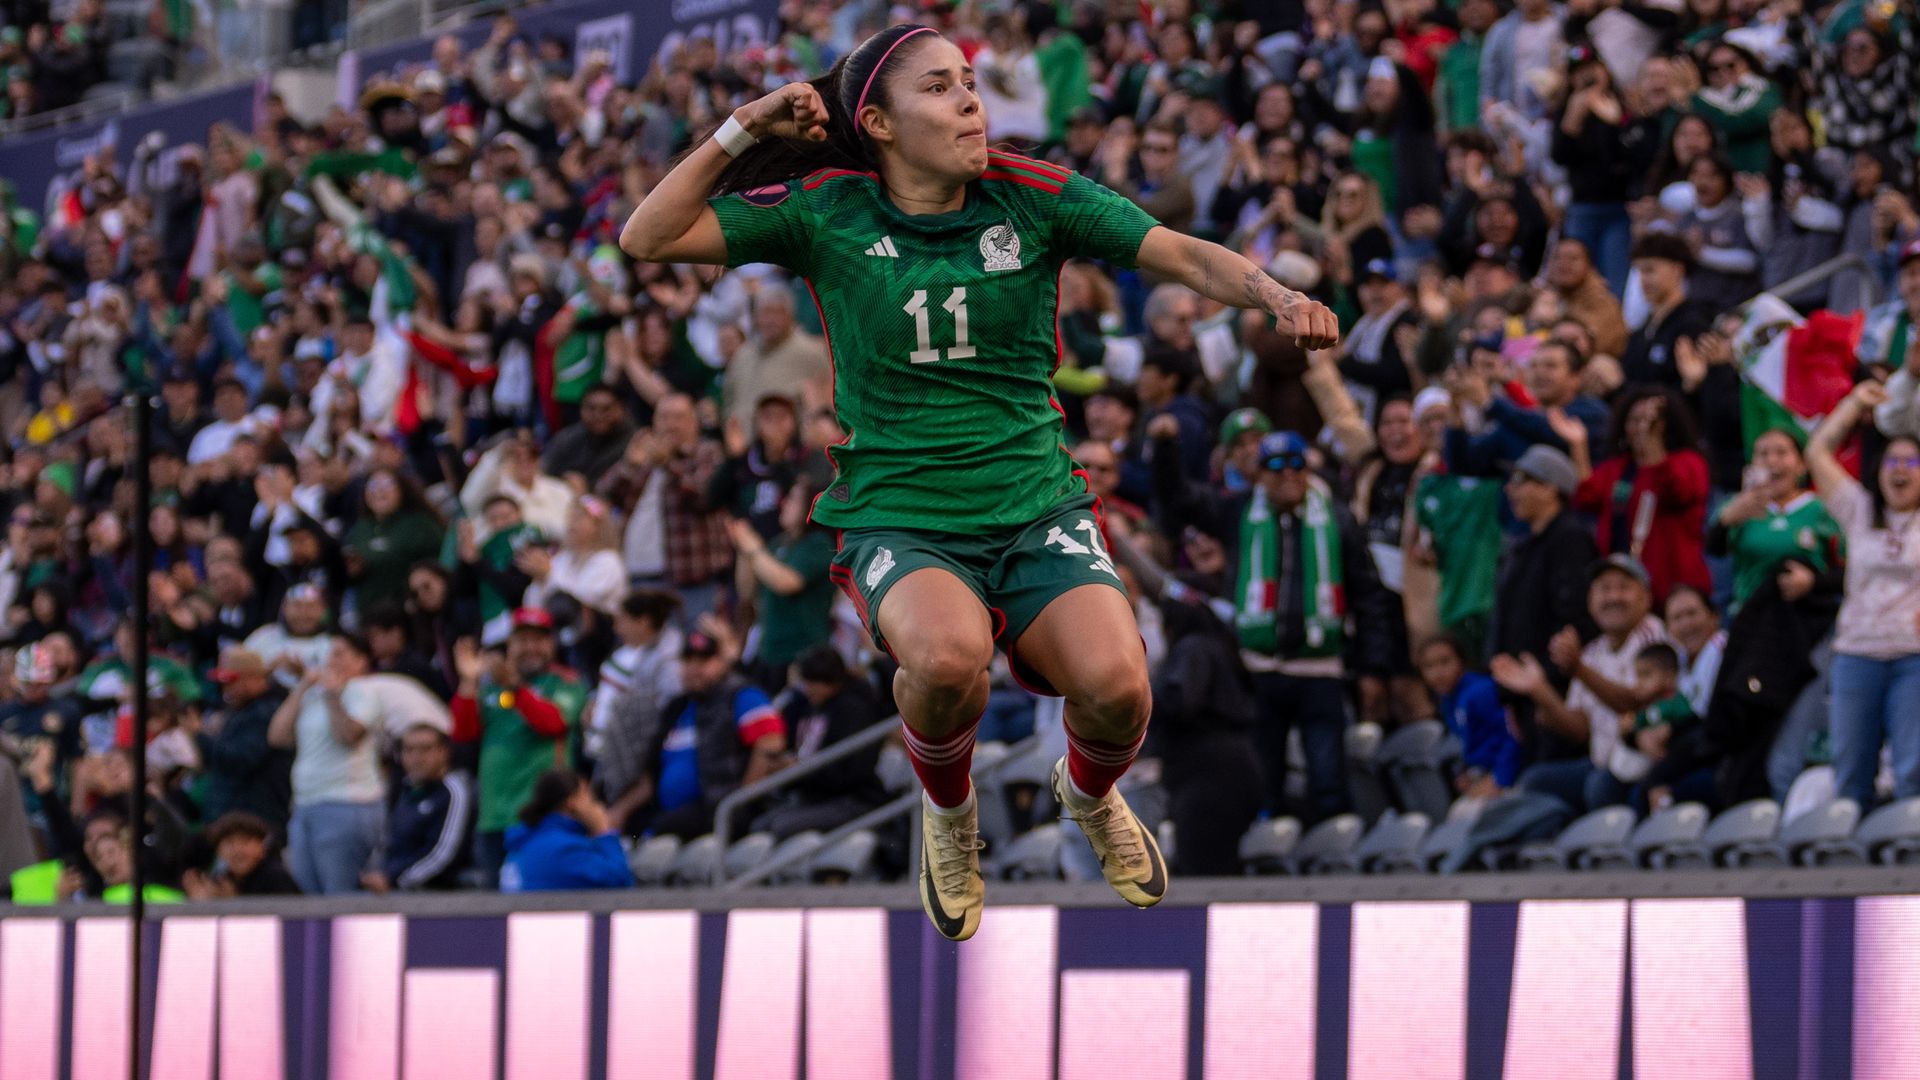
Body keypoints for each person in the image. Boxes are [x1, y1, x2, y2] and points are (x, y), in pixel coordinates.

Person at [618, 23, 1336, 940]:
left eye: (971, 82)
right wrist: (746, 126)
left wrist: (1276, 296)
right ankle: (950, 817)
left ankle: (1087, 794)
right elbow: (649, 237)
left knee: (1121, 692)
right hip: (901, 514)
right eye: (941, 88)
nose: (970, 101)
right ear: (875, 121)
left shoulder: (1033, 195)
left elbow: (1183, 253)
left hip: (1035, 502)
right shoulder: (825, 209)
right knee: (950, 663)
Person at [1153, 428, 1393, 822]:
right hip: (1258, 670)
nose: (1288, 475)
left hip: (1321, 669)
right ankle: (1268, 853)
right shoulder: (1238, 511)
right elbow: (1178, 501)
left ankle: (1331, 850)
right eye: (1275, 467)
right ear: (1258, 474)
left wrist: (1372, 668)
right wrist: (1165, 447)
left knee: (1327, 772)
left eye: (1297, 464)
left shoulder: (1338, 518)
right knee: (1264, 774)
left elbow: (1368, 595)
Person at [1807, 382, 1920, 807]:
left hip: (1914, 657)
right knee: (1851, 770)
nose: (1901, 468)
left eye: (1912, 460)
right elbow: (1817, 452)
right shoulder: (1857, 510)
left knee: (1914, 771)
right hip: (1857, 654)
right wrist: (1854, 404)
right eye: (1892, 459)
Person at [1495, 555, 1672, 814]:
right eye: (1604, 589)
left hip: (1643, 764)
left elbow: (1635, 702)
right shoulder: (1592, 652)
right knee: (1535, 782)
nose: (1613, 597)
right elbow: (1580, 730)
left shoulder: (1654, 635)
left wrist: (1578, 670)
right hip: (1601, 764)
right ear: (1590, 601)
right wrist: (1540, 690)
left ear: (1646, 597)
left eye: (1623, 587)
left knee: (1598, 787)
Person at [450, 608, 589, 886]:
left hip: (544, 818)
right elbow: (464, 732)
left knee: (541, 905)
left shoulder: (565, 681)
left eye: (539, 640)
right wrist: (468, 681)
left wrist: (514, 687)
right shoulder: (492, 688)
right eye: (523, 640)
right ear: (510, 645)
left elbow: (553, 723)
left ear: (552, 644)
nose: (530, 648)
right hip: (494, 817)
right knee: (492, 916)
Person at [1147, 594, 1265, 877]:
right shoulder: (1222, 647)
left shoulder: (1193, 648)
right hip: (1234, 769)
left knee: (1202, 875)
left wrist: (1139, 701)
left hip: (1207, 780)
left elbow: (1183, 700)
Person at [1563, 386, 1714, 606]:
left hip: (1674, 586)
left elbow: (1676, 492)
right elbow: (1586, 498)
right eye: (1634, 420)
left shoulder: (1689, 463)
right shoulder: (1617, 468)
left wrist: (1652, 444)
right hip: (1624, 587)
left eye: (1652, 421)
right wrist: (1578, 446)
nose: (1642, 428)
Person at [633, 627, 788, 840]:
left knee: (661, 830)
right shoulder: (678, 706)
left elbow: (770, 743)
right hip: (673, 811)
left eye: (703, 661)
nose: (694, 668)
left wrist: (743, 800)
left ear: (722, 663)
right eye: (688, 661)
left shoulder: (741, 694)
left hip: (720, 808)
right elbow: (651, 771)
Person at [267, 634, 387, 895]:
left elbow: (347, 736)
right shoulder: (313, 693)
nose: (331, 660)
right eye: (329, 654)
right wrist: (302, 686)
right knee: (307, 894)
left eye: (340, 653)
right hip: (305, 804)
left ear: (361, 661)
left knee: (341, 896)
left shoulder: (364, 691)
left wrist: (333, 696)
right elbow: (277, 736)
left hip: (346, 804)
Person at [749, 645, 889, 839]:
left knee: (780, 827)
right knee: (759, 825)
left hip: (852, 799)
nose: (809, 689)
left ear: (831, 680)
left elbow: (850, 771)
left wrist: (801, 770)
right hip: (813, 797)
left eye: (814, 683)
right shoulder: (807, 707)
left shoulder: (855, 710)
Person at [1706, 427, 1843, 613]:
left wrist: (1814, 581)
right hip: (1751, 619)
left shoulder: (1820, 508)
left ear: (1802, 464)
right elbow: (1713, 550)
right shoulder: (1737, 506)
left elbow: (1848, 568)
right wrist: (1725, 521)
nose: (1771, 461)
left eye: (1782, 452)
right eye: (1763, 454)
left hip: (1809, 618)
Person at [729, 480, 836, 689]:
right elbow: (747, 590)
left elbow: (787, 582)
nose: (784, 503)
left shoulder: (819, 543)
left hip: (802, 653)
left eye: (794, 498)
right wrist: (744, 550)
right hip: (769, 653)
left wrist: (754, 549)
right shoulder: (779, 542)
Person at [190, 646, 293, 831]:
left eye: (231, 682)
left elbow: (238, 761)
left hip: (253, 819)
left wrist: (198, 735)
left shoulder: (266, 711)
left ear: (254, 678)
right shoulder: (243, 708)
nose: (225, 689)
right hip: (233, 814)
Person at [365, 724, 473, 892]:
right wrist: (376, 874)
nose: (417, 757)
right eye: (409, 750)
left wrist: (394, 881)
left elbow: (444, 854)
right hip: (392, 888)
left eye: (426, 749)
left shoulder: (453, 790)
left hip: (436, 895)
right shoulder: (403, 789)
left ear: (443, 752)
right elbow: (385, 842)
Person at [1417, 634, 1520, 796]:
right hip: (1483, 772)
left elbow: (1512, 735)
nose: (1438, 673)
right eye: (1429, 666)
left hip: (1509, 775)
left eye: (1445, 662)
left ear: (1461, 662)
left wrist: (1500, 778)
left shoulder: (1480, 692)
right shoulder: (1447, 699)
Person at [499, 769, 634, 892]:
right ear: (572, 803)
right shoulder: (564, 849)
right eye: (590, 798)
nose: (596, 806)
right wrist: (604, 833)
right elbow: (621, 883)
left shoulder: (526, 841)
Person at [182, 812, 303, 898]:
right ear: (218, 851)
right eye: (230, 843)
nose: (238, 850)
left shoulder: (275, 877)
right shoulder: (221, 881)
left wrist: (234, 904)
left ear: (262, 846)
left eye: (245, 841)